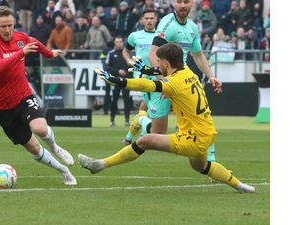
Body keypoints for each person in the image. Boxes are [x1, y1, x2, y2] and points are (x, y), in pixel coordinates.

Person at [79, 42, 255, 193]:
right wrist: (148, 69)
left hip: (193, 137)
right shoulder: (187, 71)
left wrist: (119, 81)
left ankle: (99, 165)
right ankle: (240, 186)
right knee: (200, 166)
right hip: (206, 133)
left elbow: (146, 84)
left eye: (158, 62)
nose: (158, 66)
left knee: (144, 140)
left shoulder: (173, 83)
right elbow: (165, 76)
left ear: (165, 62)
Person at [0, 6, 76, 185]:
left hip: (24, 96)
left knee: (40, 128)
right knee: (33, 147)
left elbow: (35, 43)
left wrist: (50, 54)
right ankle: (63, 170)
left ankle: (55, 147)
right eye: (3, 26)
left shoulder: (21, 38)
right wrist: (21, 53)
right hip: (3, 106)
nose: (8, 30)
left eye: (10, 25)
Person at [144, 0, 223, 182]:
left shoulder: (193, 28)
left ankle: (211, 162)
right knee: (158, 134)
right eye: (179, 1)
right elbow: (152, 54)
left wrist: (210, 76)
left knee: (201, 121)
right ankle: (140, 121)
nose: (182, 5)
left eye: (186, 2)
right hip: (164, 80)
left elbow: (198, 54)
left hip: (183, 82)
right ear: (173, 3)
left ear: (192, 4)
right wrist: (163, 83)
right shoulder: (168, 24)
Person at [122, 8, 171, 146]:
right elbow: (126, 51)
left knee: (144, 108)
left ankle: (131, 136)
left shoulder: (162, 36)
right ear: (142, 20)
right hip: (143, 76)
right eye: (147, 18)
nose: (149, 21)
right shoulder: (135, 36)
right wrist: (128, 59)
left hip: (159, 74)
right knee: (151, 108)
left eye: (152, 18)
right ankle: (142, 134)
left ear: (156, 20)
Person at [106, 36, 133, 126]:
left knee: (126, 100)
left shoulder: (127, 53)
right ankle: (112, 119)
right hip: (115, 80)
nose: (118, 43)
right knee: (114, 100)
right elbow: (108, 67)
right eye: (117, 42)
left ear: (123, 43)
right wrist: (118, 71)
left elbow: (132, 65)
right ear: (114, 42)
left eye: (120, 42)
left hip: (126, 80)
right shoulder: (111, 53)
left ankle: (127, 120)